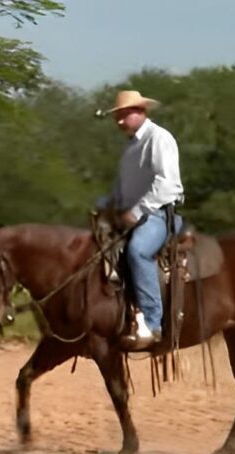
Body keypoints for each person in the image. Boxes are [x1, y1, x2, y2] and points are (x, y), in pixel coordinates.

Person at [96, 90, 184, 349]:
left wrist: (137, 211)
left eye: (124, 115)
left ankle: (152, 323)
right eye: (117, 116)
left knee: (138, 252)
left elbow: (167, 184)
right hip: (130, 214)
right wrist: (107, 205)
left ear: (141, 112)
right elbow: (125, 186)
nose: (120, 121)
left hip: (157, 214)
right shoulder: (132, 146)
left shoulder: (159, 138)